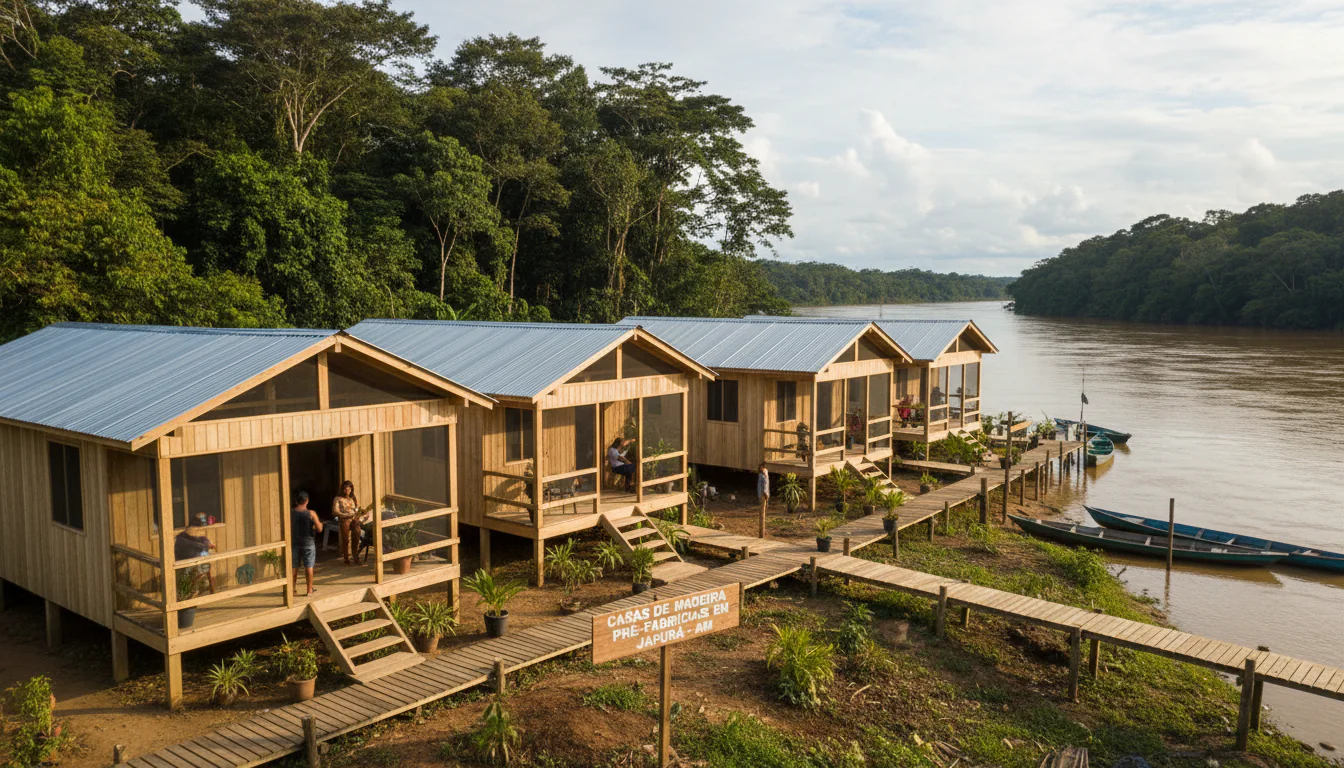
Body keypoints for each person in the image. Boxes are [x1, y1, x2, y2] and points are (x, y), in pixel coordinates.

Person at [291, 490, 323, 596]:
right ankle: (309, 590)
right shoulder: (311, 513)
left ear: (296, 501)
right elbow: (319, 529)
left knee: (294, 567)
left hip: (294, 542)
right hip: (308, 543)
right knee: (309, 566)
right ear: (307, 501)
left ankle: (292, 590)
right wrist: (320, 524)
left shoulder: (291, 513)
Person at [174, 525, 216, 594]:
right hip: (184, 564)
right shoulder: (183, 540)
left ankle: (201, 590)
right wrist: (206, 546)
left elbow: (206, 544)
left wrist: (208, 545)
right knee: (196, 572)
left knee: (207, 567)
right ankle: (192, 591)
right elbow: (195, 546)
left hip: (194, 563)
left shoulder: (200, 538)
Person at [332, 480, 365, 566]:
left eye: (349, 489)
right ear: (342, 489)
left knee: (357, 534)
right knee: (346, 539)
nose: (347, 491)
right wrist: (346, 515)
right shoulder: (338, 499)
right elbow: (335, 511)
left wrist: (360, 513)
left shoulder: (352, 498)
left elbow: (356, 509)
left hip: (353, 519)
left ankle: (355, 556)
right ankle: (346, 558)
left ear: (351, 489)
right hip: (344, 519)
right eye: (345, 489)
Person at [756, 463, 770, 539]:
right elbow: (763, 486)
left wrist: (766, 494)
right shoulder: (762, 476)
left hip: (763, 494)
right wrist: (765, 494)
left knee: (763, 511)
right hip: (763, 494)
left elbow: (765, 485)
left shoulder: (764, 475)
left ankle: (762, 534)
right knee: (762, 512)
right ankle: (761, 534)